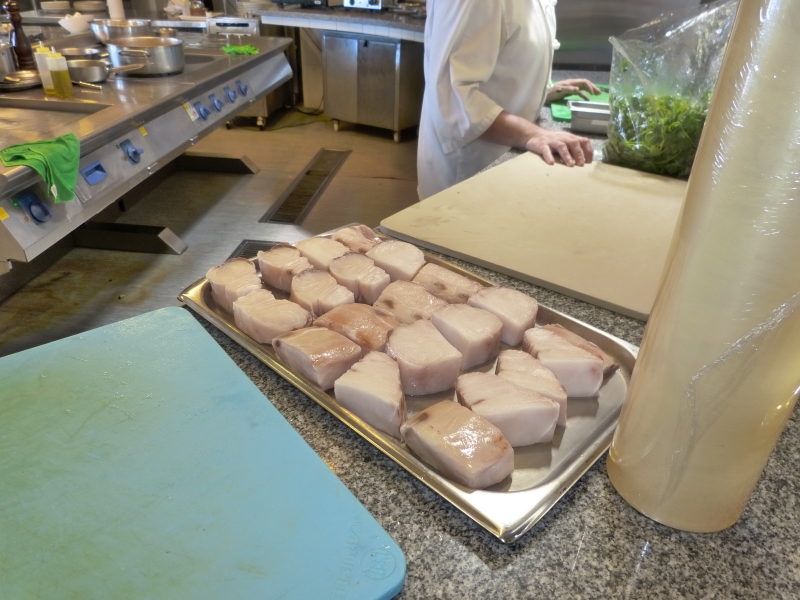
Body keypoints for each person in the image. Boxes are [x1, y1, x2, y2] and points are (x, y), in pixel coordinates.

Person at [417, 0, 600, 199]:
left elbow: (509, 46)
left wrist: (537, 90)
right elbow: (453, 100)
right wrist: (533, 134)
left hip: (506, 163)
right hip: (469, 170)